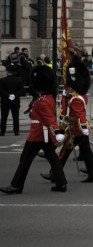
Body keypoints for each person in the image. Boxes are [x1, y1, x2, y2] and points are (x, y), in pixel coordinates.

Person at [1, 65, 67, 194]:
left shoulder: (42, 101)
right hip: (44, 134)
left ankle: (16, 185)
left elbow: (49, 118)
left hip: (37, 134)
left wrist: (57, 131)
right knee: (53, 158)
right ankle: (61, 183)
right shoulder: (49, 98)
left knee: (25, 159)